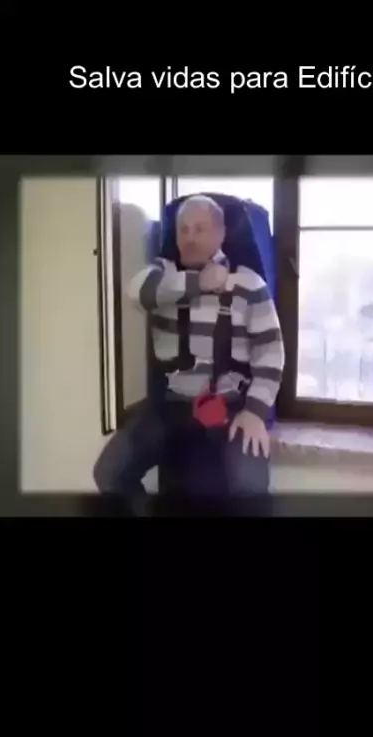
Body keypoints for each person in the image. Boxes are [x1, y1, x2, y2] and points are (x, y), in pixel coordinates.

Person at [93, 194, 284, 508]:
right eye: (183, 229)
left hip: (231, 405)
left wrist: (255, 411)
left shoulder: (249, 284)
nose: (190, 238)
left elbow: (270, 353)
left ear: (221, 234)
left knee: (251, 489)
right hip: (172, 406)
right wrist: (198, 283)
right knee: (108, 473)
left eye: (200, 229)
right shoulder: (161, 277)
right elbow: (136, 292)